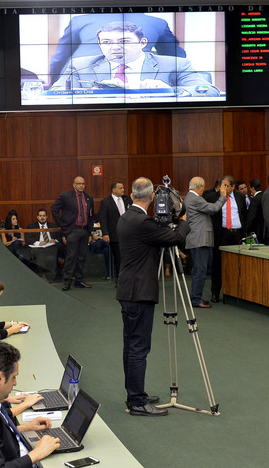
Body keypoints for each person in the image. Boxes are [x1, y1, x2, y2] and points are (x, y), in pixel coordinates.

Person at [117, 177, 190, 416]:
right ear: (151, 197)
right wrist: (183, 221)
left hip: (127, 290)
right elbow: (176, 238)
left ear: (131, 195)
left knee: (130, 345)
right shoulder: (143, 222)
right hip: (139, 293)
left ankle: (135, 393)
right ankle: (137, 401)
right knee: (138, 347)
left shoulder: (125, 217)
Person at [51, 21, 220, 97]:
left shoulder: (175, 64)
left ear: (143, 42)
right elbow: (54, 93)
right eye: (107, 42)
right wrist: (93, 92)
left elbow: (209, 90)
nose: (115, 47)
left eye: (124, 41)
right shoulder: (80, 65)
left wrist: (170, 91)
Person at [184, 176, 227, 308]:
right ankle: (196, 299)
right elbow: (213, 208)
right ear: (199, 187)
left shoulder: (189, 197)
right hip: (200, 240)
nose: (203, 190)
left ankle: (196, 297)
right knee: (200, 272)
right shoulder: (196, 199)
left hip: (197, 239)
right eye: (203, 187)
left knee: (198, 271)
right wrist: (223, 196)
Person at [50, 176, 95, 291]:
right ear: (74, 185)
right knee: (71, 257)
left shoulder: (89, 197)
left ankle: (79, 281)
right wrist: (62, 226)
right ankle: (67, 281)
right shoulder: (66, 195)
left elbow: (91, 215)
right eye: (79, 183)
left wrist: (90, 232)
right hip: (72, 230)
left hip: (84, 231)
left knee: (82, 257)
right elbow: (54, 208)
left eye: (83, 184)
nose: (81, 185)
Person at [99, 181, 130, 282]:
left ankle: (128, 278)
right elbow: (103, 219)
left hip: (127, 234)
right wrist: (105, 233)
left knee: (127, 257)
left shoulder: (127, 199)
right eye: (120, 188)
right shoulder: (106, 202)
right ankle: (120, 279)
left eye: (123, 188)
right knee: (118, 258)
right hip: (114, 235)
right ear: (114, 190)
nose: (123, 190)